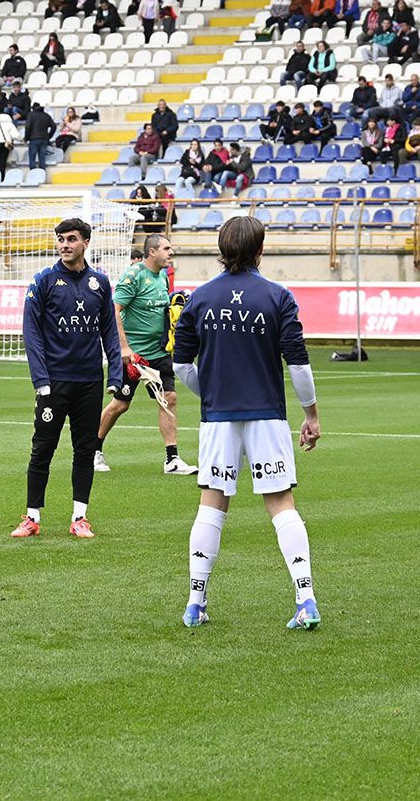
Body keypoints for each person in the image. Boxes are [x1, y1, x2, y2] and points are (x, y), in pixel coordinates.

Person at [172, 216, 322, 630]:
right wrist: (310, 413)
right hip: (267, 416)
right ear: (260, 249)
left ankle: (194, 603)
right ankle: (305, 599)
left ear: (221, 248)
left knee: (212, 504)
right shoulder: (278, 297)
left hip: (218, 417)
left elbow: (181, 364)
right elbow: (299, 364)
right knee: (281, 504)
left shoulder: (199, 298)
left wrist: (213, 391)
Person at [12, 218, 122, 539]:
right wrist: (40, 379)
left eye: (71, 239)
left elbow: (109, 333)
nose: (64, 245)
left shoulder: (100, 283)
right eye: (60, 239)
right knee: (42, 448)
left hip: (89, 381)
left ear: (85, 242)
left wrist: (115, 374)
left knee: (84, 450)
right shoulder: (43, 281)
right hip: (54, 382)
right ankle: (32, 517)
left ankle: (80, 517)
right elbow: (31, 332)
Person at [94, 233, 196, 476]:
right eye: (166, 248)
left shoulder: (162, 276)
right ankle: (92, 450)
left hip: (159, 353)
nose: (171, 252)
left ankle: (172, 460)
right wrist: (124, 348)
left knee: (169, 398)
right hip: (134, 356)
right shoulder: (134, 275)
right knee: (120, 405)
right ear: (152, 252)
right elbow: (113, 310)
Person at [24, 102, 54, 170]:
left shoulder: (31, 115)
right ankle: (42, 174)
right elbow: (53, 127)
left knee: (32, 158)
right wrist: (49, 136)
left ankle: (33, 174)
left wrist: (26, 138)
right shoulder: (46, 115)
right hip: (44, 138)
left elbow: (28, 127)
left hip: (34, 138)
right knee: (42, 158)